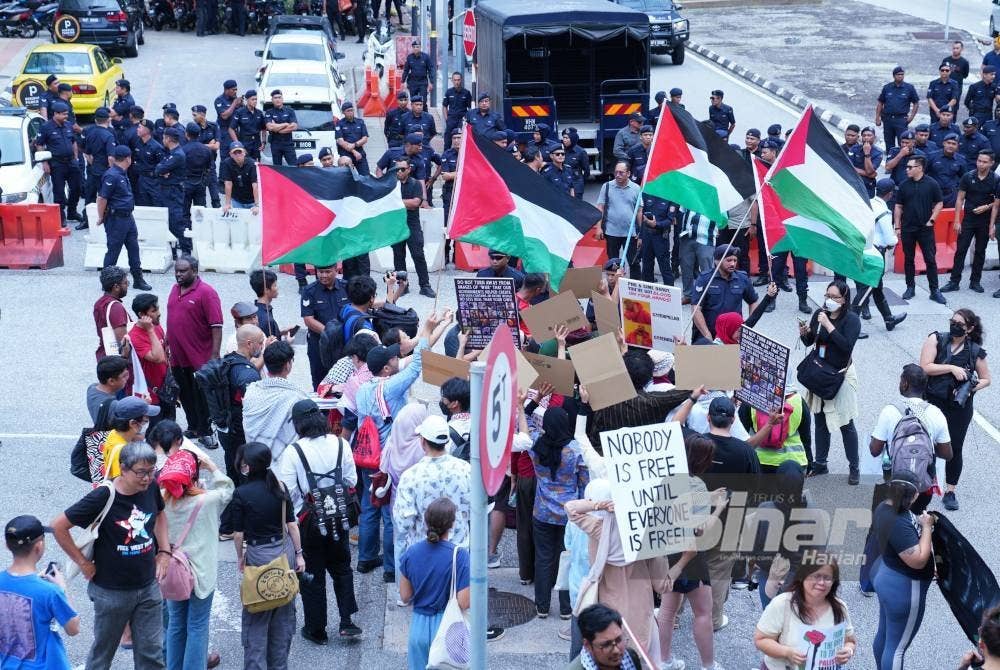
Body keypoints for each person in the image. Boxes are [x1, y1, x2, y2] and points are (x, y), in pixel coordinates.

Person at [51, 442, 171, 670]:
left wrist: (164, 551)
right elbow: (58, 526)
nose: (147, 478)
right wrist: (83, 563)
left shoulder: (151, 488)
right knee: (102, 656)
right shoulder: (104, 496)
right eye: (141, 473)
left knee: (152, 656)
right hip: (111, 592)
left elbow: (160, 514)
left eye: (151, 472)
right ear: (123, 469)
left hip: (148, 587)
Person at [355, 311, 449, 580]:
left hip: (365, 455)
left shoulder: (364, 387)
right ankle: (389, 568)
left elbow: (410, 361)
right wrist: (428, 328)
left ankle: (364, 558)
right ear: (386, 368)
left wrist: (428, 333)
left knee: (368, 505)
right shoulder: (392, 388)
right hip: (388, 458)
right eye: (394, 359)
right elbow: (418, 364)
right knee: (389, 512)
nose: (398, 360)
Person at [275, 399, 361, 643]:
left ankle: (317, 629)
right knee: (342, 568)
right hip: (340, 516)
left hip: (309, 522)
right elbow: (351, 480)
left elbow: (288, 492)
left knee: (312, 574)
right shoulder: (340, 444)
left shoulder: (294, 452)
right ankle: (347, 621)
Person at [230, 442, 305, 670]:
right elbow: (292, 525)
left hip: (258, 555)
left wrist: (240, 557)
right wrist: (299, 555)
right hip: (285, 553)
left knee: (257, 617)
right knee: (283, 615)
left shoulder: (242, 493)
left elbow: (237, 534)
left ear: (246, 465)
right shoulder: (279, 486)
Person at [655, 435, 727, 670]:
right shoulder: (697, 483)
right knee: (703, 613)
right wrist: (717, 508)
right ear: (702, 459)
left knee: (667, 611)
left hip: (668, 550)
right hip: (691, 555)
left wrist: (707, 497)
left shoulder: (668, 479)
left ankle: (664, 660)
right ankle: (708, 665)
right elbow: (701, 528)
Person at [160, 449, 234, 670]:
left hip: (173, 572)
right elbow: (227, 487)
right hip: (202, 573)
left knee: (175, 624)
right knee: (198, 625)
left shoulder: (162, 502)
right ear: (193, 475)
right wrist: (211, 466)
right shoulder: (207, 501)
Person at [920, 309, 991, 510]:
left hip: (959, 408)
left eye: (960, 324)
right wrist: (951, 368)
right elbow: (925, 366)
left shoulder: (975, 351)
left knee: (954, 447)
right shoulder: (936, 339)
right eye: (953, 322)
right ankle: (922, 479)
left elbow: (987, 379)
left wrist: (969, 388)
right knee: (927, 442)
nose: (954, 326)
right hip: (933, 401)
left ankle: (950, 490)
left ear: (969, 329)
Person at [527, 407, 589, 620]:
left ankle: (542, 606)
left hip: (542, 511)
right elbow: (584, 482)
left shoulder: (535, 446)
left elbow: (525, 424)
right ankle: (565, 607)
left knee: (543, 558)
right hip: (569, 514)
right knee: (567, 558)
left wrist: (527, 404)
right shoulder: (574, 449)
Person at [798, 279, 862, 483]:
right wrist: (805, 334)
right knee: (820, 420)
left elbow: (846, 346)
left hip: (840, 374)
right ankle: (821, 463)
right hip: (819, 372)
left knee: (846, 424)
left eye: (835, 297)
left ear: (844, 300)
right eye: (827, 296)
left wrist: (829, 326)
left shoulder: (852, 320)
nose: (829, 300)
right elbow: (811, 342)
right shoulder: (819, 314)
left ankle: (854, 467)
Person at [871, 470, 935, 670]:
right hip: (904, 588)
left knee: (885, 634)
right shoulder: (898, 521)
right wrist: (926, 527)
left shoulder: (884, 507)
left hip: (886, 577)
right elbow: (917, 560)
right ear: (914, 495)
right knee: (897, 647)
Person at [869, 364, 953, 514]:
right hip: (923, 485)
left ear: (905, 384)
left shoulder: (890, 411)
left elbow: (875, 451)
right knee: (917, 520)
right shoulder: (936, 413)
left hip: (895, 481)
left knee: (891, 520)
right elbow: (947, 454)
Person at [0, 515, 80, 670]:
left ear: (7, 546)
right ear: (39, 546)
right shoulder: (50, 592)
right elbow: (73, 628)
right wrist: (62, 588)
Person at [398, 498, 470, 670]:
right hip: (448, 626)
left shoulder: (411, 553)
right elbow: (464, 602)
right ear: (451, 524)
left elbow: (405, 596)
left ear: (426, 521)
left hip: (418, 628)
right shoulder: (459, 555)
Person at [754, 556, 857, 669]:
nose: (821, 582)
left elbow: (850, 641)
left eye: (827, 578)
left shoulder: (839, 607)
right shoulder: (782, 604)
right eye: (815, 576)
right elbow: (761, 640)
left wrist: (848, 650)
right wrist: (787, 652)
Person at [393, 413, 472, 560]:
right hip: (458, 553)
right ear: (447, 441)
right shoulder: (466, 469)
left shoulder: (411, 476)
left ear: (423, 441)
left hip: (422, 554)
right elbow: (477, 510)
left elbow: (403, 523)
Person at [167, 256, 222, 446]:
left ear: (195, 271)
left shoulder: (207, 293)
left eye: (183, 271)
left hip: (200, 358)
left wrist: (214, 355)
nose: (178, 274)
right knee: (185, 394)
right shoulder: (174, 290)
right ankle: (193, 426)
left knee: (202, 397)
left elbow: (216, 325)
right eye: (177, 271)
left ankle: (207, 432)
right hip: (178, 358)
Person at [852, 179, 908, 331]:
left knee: (877, 288)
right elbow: (890, 239)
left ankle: (889, 319)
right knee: (867, 289)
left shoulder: (868, 204)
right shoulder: (884, 212)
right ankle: (849, 325)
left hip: (863, 249)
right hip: (875, 254)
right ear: (890, 194)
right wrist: (896, 239)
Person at [242, 341, 309, 461]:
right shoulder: (297, 397)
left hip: (254, 458)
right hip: (284, 462)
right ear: (288, 365)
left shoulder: (251, 390)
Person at [942, 151, 997, 294]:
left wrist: (987, 207)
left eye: (984, 162)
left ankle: (975, 281)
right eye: (979, 161)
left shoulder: (995, 179)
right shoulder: (968, 176)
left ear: (991, 163)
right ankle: (954, 281)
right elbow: (960, 199)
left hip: (985, 220)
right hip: (968, 219)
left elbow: (997, 203)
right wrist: (956, 220)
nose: (981, 164)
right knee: (961, 250)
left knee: (980, 251)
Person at [894, 155, 947, 304]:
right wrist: (897, 226)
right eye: (907, 167)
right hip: (907, 228)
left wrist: (932, 219)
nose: (907, 170)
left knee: (930, 259)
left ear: (920, 168)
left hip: (925, 229)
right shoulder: (904, 185)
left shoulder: (932, 184)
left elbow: (939, 203)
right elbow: (898, 206)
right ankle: (910, 287)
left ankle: (934, 290)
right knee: (909, 258)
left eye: (910, 167)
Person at [691, 245, 759, 343]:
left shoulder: (742, 278)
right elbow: (696, 309)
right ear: (716, 261)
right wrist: (706, 334)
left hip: (732, 335)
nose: (732, 264)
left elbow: (753, 302)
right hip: (709, 333)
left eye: (735, 260)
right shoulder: (705, 279)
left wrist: (748, 327)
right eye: (729, 260)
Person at [391, 158, 436, 297]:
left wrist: (395, 201)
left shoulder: (416, 183)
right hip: (396, 225)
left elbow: (415, 203)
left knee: (418, 255)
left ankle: (425, 285)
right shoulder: (391, 184)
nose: (399, 171)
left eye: (402, 169)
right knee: (398, 256)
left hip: (412, 224)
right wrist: (404, 203)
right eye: (397, 169)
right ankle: (402, 285)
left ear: (409, 169)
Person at [300, 264, 349, 386]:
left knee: (345, 381)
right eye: (320, 272)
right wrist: (330, 333)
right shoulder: (309, 291)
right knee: (320, 381)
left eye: (327, 272)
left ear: (336, 270)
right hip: (319, 344)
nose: (323, 275)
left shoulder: (347, 287)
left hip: (343, 344)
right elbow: (308, 319)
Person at [130, 293, 174, 424]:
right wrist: (150, 331)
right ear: (141, 315)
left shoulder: (157, 326)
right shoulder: (136, 336)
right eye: (154, 311)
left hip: (166, 388)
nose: (159, 313)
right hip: (152, 394)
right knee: (156, 430)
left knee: (170, 425)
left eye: (158, 309)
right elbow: (159, 357)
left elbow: (166, 352)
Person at [35, 100, 79, 226]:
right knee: (59, 193)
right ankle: (61, 216)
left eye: (67, 114)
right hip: (56, 164)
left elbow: (73, 142)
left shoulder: (69, 125)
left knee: (76, 189)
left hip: (71, 162)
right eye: (64, 114)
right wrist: (44, 162)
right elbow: (39, 144)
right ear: (56, 114)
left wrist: (75, 157)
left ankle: (72, 212)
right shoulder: (46, 127)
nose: (66, 116)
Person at [596, 161, 642, 276]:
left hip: (630, 234)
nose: (617, 175)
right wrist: (598, 228)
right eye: (616, 172)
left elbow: (639, 211)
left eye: (621, 173)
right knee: (612, 264)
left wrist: (641, 232)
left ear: (629, 173)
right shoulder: (606, 187)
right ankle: (614, 289)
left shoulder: (636, 188)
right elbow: (600, 208)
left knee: (634, 263)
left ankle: (633, 289)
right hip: (611, 232)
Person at [566, 604, 643, 670]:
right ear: (587, 645)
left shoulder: (631, 657)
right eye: (606, 645)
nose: (616, 651)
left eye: (619, 640)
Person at [102, 396, 161, 481]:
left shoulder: (114, 433)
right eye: (145, 420)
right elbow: (122, 483)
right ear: (133, 423)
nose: (147, 423)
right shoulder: (124, 452)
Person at [156, 127, 190, 255]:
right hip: (166, 190)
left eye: (164, 137)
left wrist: (161, 171)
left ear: (168, 139)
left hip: (173, 191)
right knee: (167, 221)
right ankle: (173, 250)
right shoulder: (171, 153)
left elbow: (159, 170)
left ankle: (186, 251)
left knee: (176, 221)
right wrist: (162, 170)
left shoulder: (177, 155)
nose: (162, 140)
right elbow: (159, 168)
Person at [81, 106, 116, 226]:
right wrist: (113, 172)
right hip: (105, 172)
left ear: (96, 120)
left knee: (89, 196)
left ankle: (88, 221)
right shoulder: (109, 134)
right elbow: (111, 157)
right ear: (108, 120)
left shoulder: (89, 132)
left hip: (92, 170)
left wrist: (93, 164)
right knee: (105, 197)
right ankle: (105, 220)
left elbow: (86, 152)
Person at [876, 66, 919, 148]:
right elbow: (880, 103)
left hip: (901, 120)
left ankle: (903, 160)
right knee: (889, 143)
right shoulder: (887, 88)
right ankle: (890, 159)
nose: (900, 76)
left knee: (903, 143)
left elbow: (916, 103)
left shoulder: (909, 88)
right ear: (894, 76)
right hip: (888, 119)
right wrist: (877, 118)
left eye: (902, 74)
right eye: (898, 74)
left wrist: (911, 117)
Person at [220, 142, 260, 215]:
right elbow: (228, 184)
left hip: (252, 200)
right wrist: (227, 204)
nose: (238, 155)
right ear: (231, 155)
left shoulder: (252, 164)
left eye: (239, 152)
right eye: (235, 153)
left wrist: (257, 205)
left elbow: (255, 185)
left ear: (244, 152)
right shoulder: (226, 163)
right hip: (237, 200)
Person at [88, 354, 128, 421]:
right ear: (111, 381)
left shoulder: (92, 388)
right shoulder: (114, 406)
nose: (127, 378)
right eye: (124, 376)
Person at [263, 90, 297, 167]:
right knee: (277, 168)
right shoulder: (269, 112)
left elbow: (294, 126)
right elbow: (270, 127)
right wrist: (285, 124)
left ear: (282, 99)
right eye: (275, 98)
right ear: (272, 100)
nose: (277, 99)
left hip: (288, 144)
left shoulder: (290, 111)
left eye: (279, 97)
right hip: (275, 144)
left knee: (294, 166)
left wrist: (278, 129)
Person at [229, 90, 265, 161]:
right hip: (245, 143)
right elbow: (231, 129)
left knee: (256, 166)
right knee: (244, 164)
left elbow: (264, 128)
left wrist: (263, 142)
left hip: (256, 143)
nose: (255, 101)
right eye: (252, 99)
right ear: (247, 100)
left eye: (256, 99)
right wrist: (238, 145)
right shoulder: (240, 112)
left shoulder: (259, 113)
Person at [334, 101, 369, 174]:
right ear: (343, 112)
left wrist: (354, 144)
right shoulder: (339, 124)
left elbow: (365, 138)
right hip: (346, 154)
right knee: (347, 176)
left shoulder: (360, 122)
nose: (350, 112)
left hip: (360, 152)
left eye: (352, 110)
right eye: (348, 111)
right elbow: (340, 141)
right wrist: (354, 151)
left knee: (365, 176)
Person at [442, 72, 472, 141]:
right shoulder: (448, 92)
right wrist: (447, 119)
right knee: (447, 140)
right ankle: (447, 151)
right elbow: (444, 106)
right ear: (452, 80)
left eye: (458, 80)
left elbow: (470, 108)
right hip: (451, 119)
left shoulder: (466, 93)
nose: (457, 82)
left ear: (461, 80)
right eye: (455, 80)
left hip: (462, 120)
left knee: (461, 139)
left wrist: (467, 120)